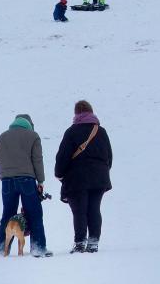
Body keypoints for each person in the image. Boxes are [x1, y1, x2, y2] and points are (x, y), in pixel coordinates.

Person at [55, 100, 113, 254]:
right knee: (94, 209)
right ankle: (93, 242)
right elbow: (109, 156)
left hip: (77, 178)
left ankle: (80, 242)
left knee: (79, 211)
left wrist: (59, 174)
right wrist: (103, 171)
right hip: (99, 178)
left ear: (76, 113)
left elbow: (62, 156)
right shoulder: (101, 131)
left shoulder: (71, 132)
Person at [0, 113, 50, 257]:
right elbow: (37, 160)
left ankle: (1, 250)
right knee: (34, 213)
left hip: (7, 181)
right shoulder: (33, 136)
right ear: (29, 124)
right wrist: (41, 181)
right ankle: (38, 249)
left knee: (7, 215)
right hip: (27, 180)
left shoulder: (2, 136)